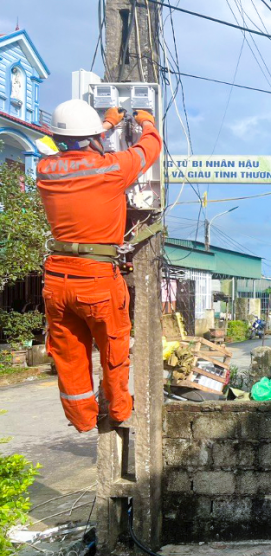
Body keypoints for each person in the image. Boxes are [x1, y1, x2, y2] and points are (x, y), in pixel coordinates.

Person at [37, 99, 162, 432]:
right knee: (113, 347)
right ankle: (119, 410)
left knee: (68, 356)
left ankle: (82, 419)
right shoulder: (113, 168)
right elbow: (148, 149)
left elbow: (80, 153)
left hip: (57, 278)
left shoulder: (45, 169)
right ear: (92, 137)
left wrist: (106, 125)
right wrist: (147, 122)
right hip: (96, 278)